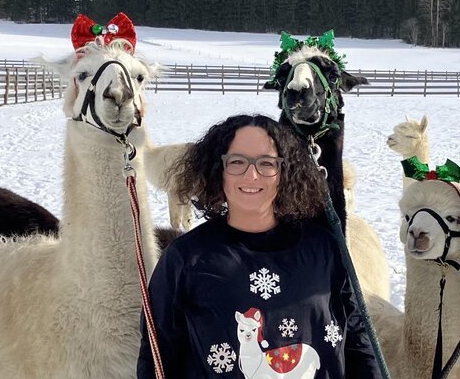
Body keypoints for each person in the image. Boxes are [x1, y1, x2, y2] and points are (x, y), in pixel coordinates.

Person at [137, 114, 381, 378]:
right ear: (219, 171)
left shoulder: (324, 250)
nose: (251, 175)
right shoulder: (186, 258)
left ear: (284, 172)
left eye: (266, 163)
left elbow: (357, 339)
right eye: (237, 162)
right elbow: (157, 355)